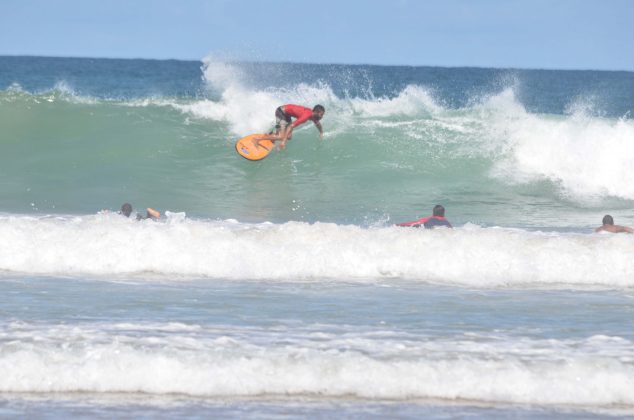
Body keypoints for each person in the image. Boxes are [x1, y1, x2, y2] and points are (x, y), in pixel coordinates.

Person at [255, 104, 325, 150]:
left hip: (287, 115)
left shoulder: (313, 116)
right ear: (316, 112)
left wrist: (321, 132)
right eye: (321, 114)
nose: (322, 117)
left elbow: (318, 124)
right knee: (281, 137)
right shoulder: (306, 116)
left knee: (289, 136)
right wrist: (283, 142)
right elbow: (290, 127)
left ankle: (272, 134)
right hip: (281, 112)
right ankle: (257, 139)